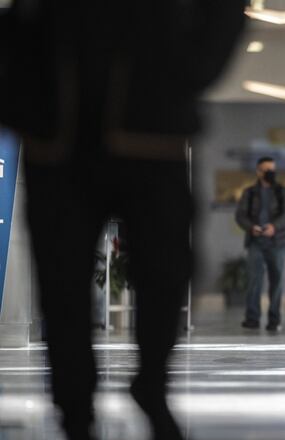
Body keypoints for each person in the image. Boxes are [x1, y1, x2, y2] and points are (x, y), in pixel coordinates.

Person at [0, 1, 244, 439]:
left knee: (166, 270)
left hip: (152, 128)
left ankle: (152, 381)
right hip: (57, 134)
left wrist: (190, 70)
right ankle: (74, 406)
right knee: (62, 286)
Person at [235, 157, 285, 334]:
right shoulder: (250, 192)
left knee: (276, 281)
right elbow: (240, 215)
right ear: (258, 171)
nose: (270, 172)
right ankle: (252, 319)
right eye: (266, 169)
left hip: (277, 242)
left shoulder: (283, 191)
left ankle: (274, 319)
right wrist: (250, 227)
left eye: (272, 169)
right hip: (255, 242)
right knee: (254, 280)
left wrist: (274, 227)